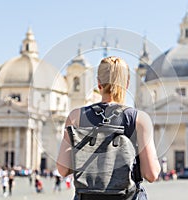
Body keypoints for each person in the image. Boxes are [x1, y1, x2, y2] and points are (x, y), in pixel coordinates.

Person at [57, 56, 161, 199]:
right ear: (127, 84)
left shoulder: (76, 116)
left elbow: (62, 169)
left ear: (99, 83)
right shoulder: (139, 119)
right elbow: (151, 174)